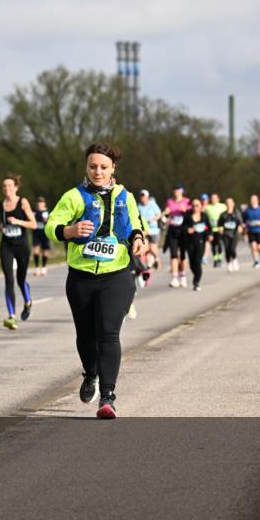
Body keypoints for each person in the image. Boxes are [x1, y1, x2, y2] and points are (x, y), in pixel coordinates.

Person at [45, 143, 147, 419]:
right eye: (93, 167)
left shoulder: (125, 196)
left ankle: (108, 396)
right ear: (86, 167)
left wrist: (138, 239)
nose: (98, 172)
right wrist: (69, 230)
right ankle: (90, 373)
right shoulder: (74, 197)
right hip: (81, 278)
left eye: (103, 167)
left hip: (117, 275)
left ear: (113, 168)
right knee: (86, 336)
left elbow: (137, 225)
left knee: (109, 333)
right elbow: (50, 226)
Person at [0, 174, 37, 330]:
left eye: (9, 185)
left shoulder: (23, 202)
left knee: (21, 279)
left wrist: (18, 221)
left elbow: (33, 224)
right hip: (6, 246)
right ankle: (12, 316)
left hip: (21, 246)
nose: (7, 188)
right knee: (8, 280)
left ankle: (28, 302)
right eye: (4, 186)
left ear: (15, 187)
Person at [182, 198, 214, 291]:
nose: (195, 207)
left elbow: (209, 228)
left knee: (197, 261)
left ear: (201, 206)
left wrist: (210, 235)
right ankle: (196, 276)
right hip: (190, 242)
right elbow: (183, 227)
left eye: (197, 205)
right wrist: (187, 230)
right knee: (192, 264)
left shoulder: (204, 216)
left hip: (201, 241)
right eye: (193, 205)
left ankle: (196, 282)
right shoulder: (188, 216)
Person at [162, 185, 190, 287]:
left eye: (178, 190)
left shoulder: (187, 201)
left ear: (182, 191)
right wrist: (166, 213)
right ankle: (174, 277)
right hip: (172, 230)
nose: (176, 192)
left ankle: (182, 276)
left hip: (183, 231)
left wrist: (184, 211)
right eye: (175, 190)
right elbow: (166, 214)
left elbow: (190, 215)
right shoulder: (169, 201)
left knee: (182, 255)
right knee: (173, 254)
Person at [137, 189, 163, 271]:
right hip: (144, 229)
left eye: (144, 196)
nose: (142, 198)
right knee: (146, 247)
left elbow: (159, 214)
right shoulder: (139, 206)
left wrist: (153, 219)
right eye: (141, 196)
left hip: (153, 229)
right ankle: (149, 264)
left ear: (147, 197)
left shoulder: (152, 204)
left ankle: (157, 258)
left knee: (152, 247)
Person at [242, 194, 260, 267]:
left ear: (257, 200)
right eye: (251, 200)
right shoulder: (247, 210)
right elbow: (244, 220)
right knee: (253, 246)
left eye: (254, 199)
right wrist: (244, 227)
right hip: (251, 231)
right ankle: (256, 261)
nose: (253, 201)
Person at [218, 198, 243, 272]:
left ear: (233, 204)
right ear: (226, 204)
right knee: (227, 249)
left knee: (232, 248)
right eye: (227, 203)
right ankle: (229, 263)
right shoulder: (223, 214)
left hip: (234, 233)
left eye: (230, 202)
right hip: (226, 234)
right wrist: (220, 229)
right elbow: (220, 224)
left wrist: (240, 227)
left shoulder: (236, 213)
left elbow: (240, 222)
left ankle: (234, 259)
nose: (229, 204)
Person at [204, 193, 227, 268]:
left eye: (215, 198)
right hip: (211, 229)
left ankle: (219, 258)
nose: (213, 199)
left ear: (218, 199)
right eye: (212, 198)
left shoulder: (223, 206)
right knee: (213, 245)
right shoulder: (207, 207)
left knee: (219, 243)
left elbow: (227, 215)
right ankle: (215, 259)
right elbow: (202, 215)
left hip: (220, 228)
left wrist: (224, 226)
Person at [30, 197, 52, 276]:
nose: (40, 204)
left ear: (44, 203)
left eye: (41, 202)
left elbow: (51, 221)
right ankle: (36, 268)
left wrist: (47, 220)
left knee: (44, 251)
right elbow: (30, 220)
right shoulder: (34, 212)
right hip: (36, 233)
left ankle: (43, 268)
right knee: (35, 250)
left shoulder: (47, 212)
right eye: (38, 202)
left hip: (44, 233)